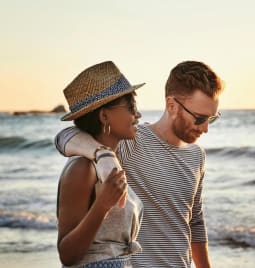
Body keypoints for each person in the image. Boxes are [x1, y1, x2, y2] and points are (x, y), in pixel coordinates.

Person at [55, 61, 224, 268]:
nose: (205, 128)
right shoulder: (129, 142)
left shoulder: (198, 156)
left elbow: (195, 221)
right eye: (199, 118)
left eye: (211, 119)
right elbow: (67, 135)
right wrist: (103, 155)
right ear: (172, 106)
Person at [56, 61, 144, 268]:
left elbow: (63, 137)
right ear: (104, 116)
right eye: (131, 107)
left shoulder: (109, 160)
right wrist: (102, 205)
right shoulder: (82, 168)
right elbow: (67, 255)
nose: (137, 114)